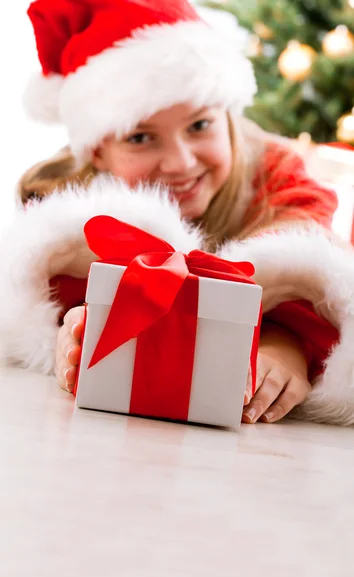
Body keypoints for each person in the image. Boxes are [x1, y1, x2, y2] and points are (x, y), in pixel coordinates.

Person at [1, 0, 354, 426]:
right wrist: (71, 327)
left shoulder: (281, 185)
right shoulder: (65, 217)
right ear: (98, 152)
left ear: (228, 118)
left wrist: (286, 343)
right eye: (141, 137)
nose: (181, 163)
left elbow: (312, 272)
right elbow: (46, 300)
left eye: (200, 125)